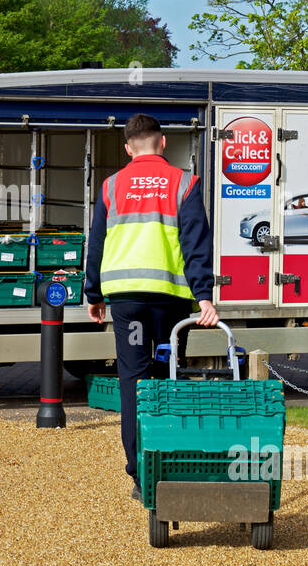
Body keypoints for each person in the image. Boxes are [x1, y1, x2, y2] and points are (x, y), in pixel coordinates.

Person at [83, 113, 217, 502]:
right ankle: (170, 464)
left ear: (128, 148)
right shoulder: (185, 183)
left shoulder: (110, 186)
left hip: (126, 300)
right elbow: (196, 246)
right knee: (166, 376)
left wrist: (94, 295)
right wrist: (204, 296)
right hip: (170, 301)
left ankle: (140, 473)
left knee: (134, 381)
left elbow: (97, 244)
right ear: (162, 143)